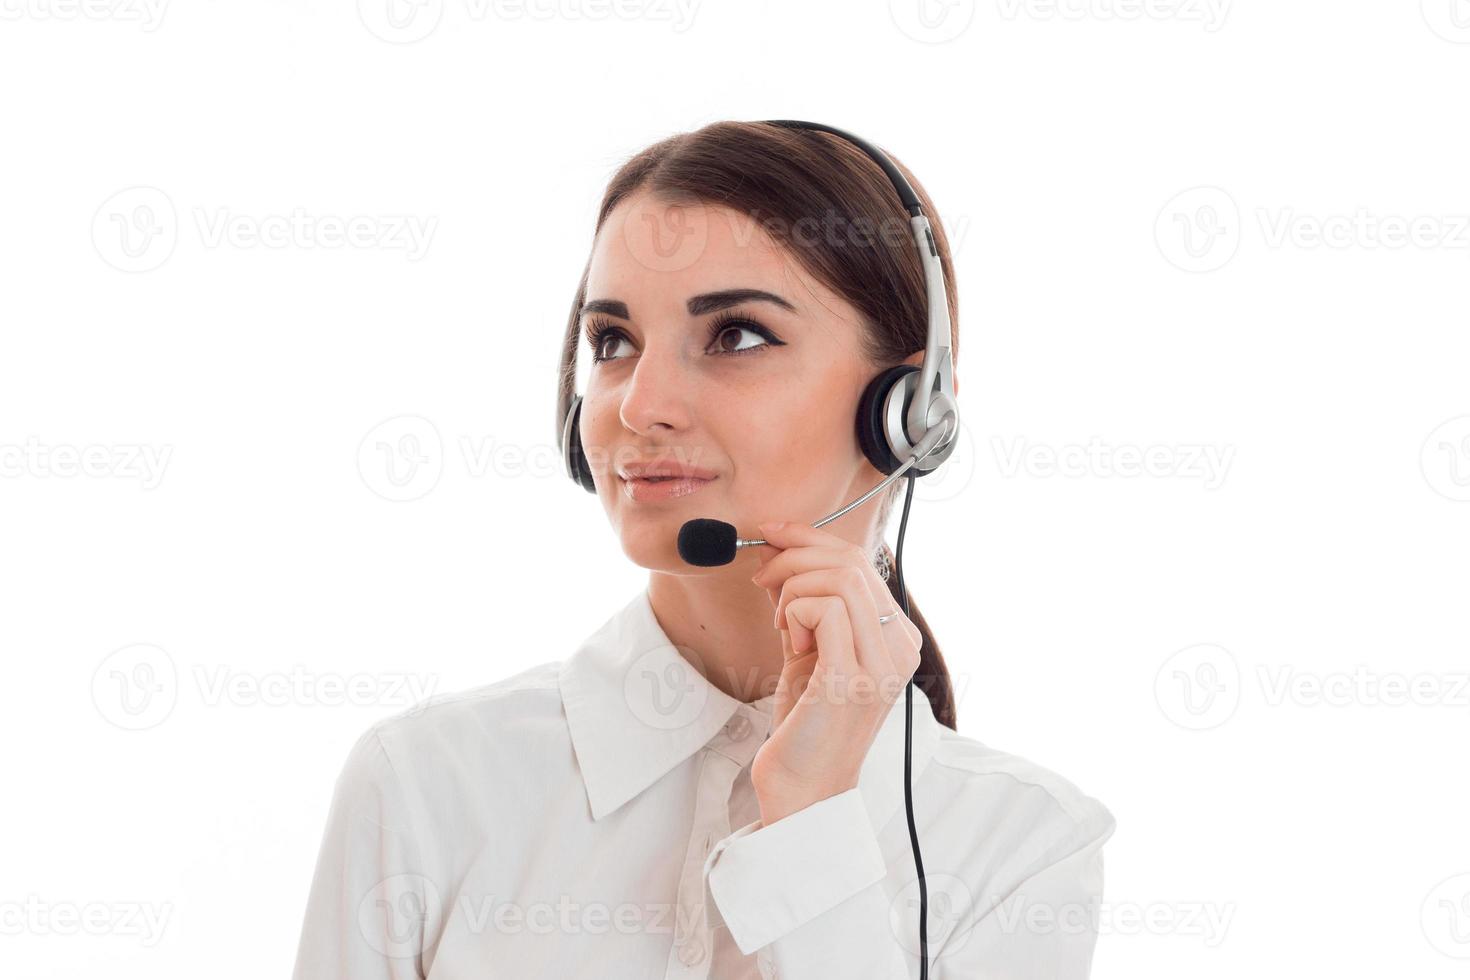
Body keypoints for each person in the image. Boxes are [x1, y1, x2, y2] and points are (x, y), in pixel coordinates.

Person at [290, 120, 1115, 979]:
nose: (640, 405)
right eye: (612, 342)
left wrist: (812, 820)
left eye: (736, 336)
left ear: (911, 406)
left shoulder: (1023, 847)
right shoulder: (429, 785)